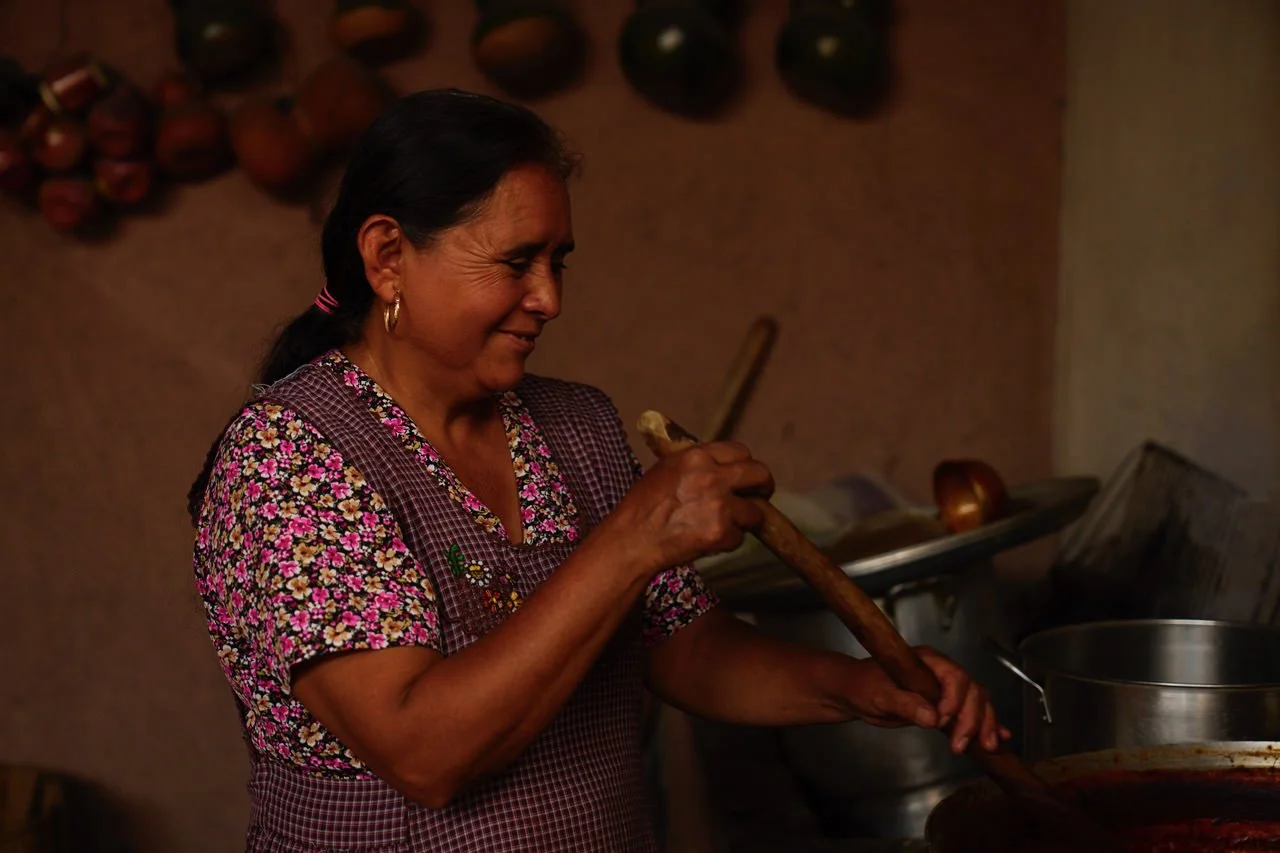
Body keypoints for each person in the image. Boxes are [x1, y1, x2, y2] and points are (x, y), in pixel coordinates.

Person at [188, 89, 1010, 852]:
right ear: (388, 255)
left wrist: (854, 688)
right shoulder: (288, 457)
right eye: (516, 262)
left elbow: (680, 646)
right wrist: (630, 540)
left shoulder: (576, 425)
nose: (549, 297)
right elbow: (424, 754)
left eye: (560, 261)